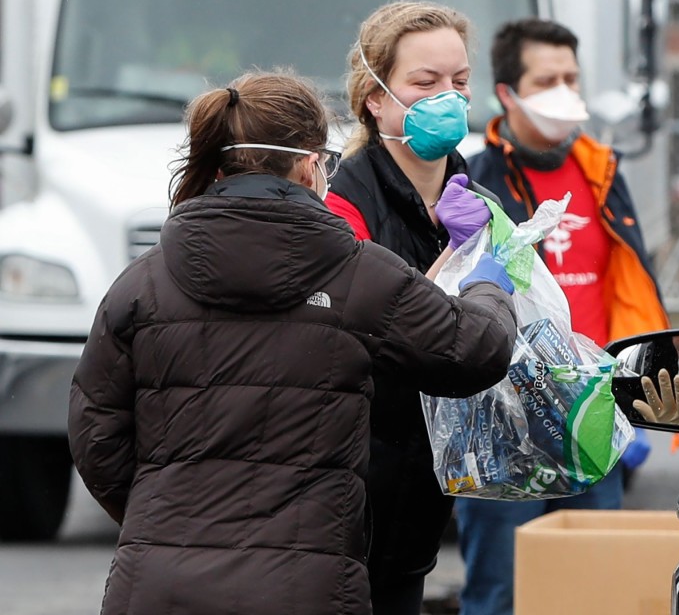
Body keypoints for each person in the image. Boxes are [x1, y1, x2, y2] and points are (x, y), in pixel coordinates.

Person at [67, 71, 518, 615]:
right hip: (307, 586)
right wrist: (488, 280)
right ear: (309, 163)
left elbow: (96, 435)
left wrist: (162, 520)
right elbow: (476, 349)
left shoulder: (141, 282)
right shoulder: (358, 273)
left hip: (158, 585)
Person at [458, 17, 671, 615]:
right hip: (504, 424)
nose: (564, 90)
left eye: (571, 77)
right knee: (501, 592)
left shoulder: (602, 172)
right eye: (547, 78)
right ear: (508, 93)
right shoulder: (474, 182)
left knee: (591, 593)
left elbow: (627, 284)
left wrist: (639, 386)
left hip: (591, 417)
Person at [324, 1, 496, 615]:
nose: (446, 97)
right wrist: (455, 260)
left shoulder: (471, 193)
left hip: (422, 488)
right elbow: (375, 329)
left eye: (459, 82)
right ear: (374, 97)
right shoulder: (344, 202)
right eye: (424, 83)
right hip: (350, 488)